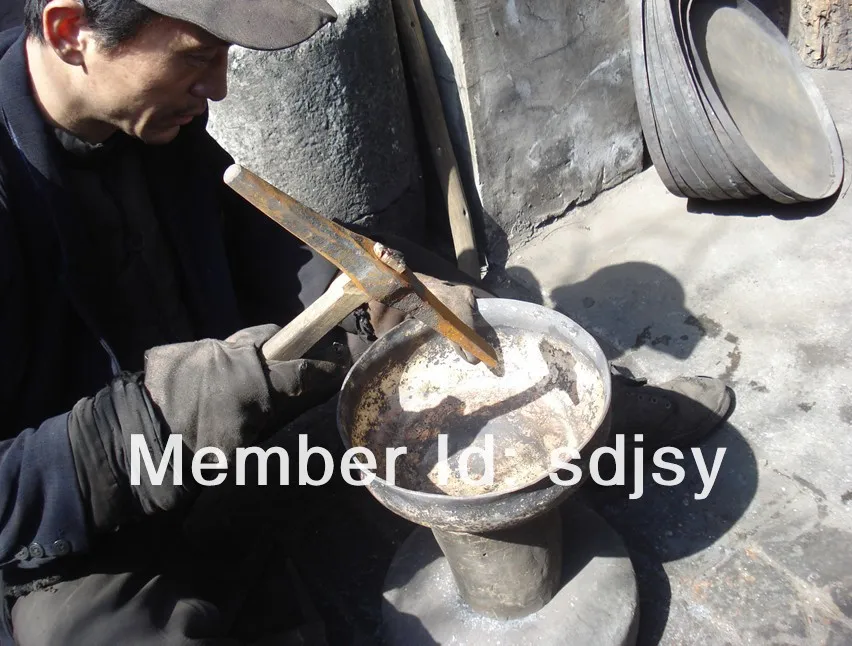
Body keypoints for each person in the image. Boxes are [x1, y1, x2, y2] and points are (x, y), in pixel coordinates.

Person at [0, 0, 734, 643]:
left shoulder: (149, 118)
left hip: (209, 420)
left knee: (402, 277)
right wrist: (147, 420)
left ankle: (589, 404)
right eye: (198, 56)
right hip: (75, 522)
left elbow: (260, 244)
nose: (218, 89)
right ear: (72, 32)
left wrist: (375, 294)